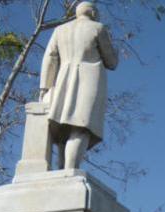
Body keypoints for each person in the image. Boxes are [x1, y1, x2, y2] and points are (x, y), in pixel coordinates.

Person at [39, 1, 118, 169]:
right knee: (82, 127)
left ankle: (63, 171)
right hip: (89, 80)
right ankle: (70, 171)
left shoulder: (60, 30)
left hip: (63, 80)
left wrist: (44, 87)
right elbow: (111, 62)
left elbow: (49, 58)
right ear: (93, 13)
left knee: (64, 129)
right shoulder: (98, 28)